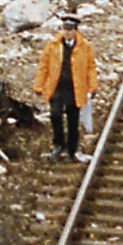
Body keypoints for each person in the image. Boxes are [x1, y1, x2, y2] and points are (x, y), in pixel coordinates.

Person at [34, 15, 98, 163]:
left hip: (75, 89)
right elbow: (44, 65)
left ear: (75, 30)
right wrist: (39, 85)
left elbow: (91, 68)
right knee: (55, 115)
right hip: (56, 87)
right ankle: (58, 144)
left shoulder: (85, 47)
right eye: (65, 29)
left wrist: (93, 86)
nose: (67, 32)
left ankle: (71, 150)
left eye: (70, 29)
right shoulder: (53, 45)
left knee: (72, 120)